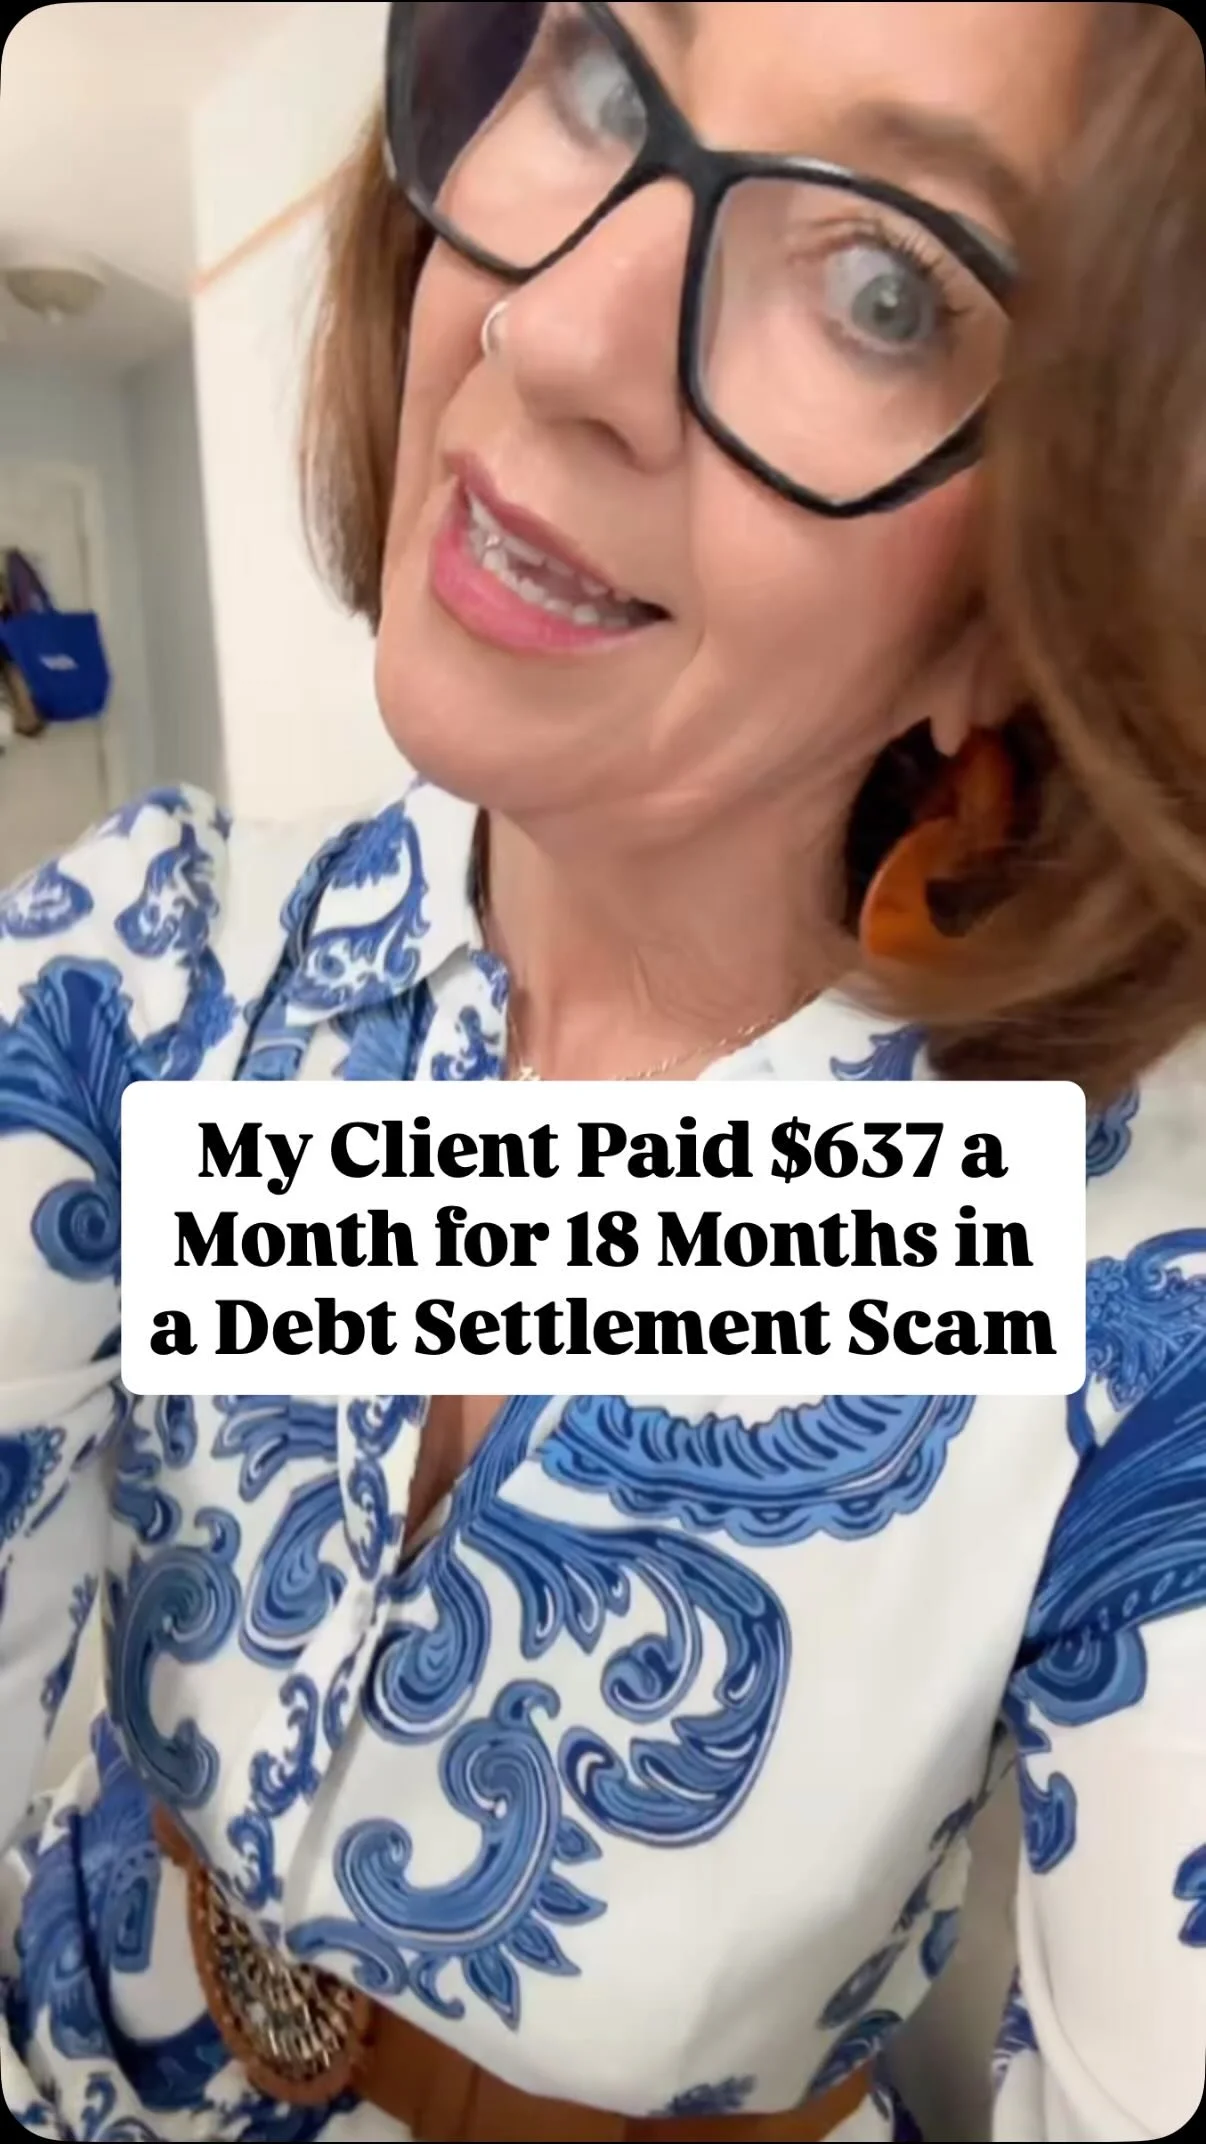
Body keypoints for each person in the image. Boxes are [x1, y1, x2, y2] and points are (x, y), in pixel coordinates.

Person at [0, 4, 1203, 2138]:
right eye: (597, 70)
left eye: (884, 285)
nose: (551, 332)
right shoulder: (141, 967)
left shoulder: (1125, 1307)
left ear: (1044, 586)